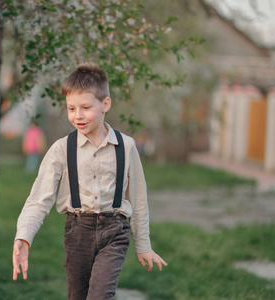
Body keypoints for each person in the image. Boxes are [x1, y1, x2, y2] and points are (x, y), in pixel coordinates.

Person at [12, 63, 167, 300]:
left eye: (86, 107)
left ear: (105, 104)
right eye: (71, 108)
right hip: (78, 233)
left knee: (100, 296)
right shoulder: (62, 149)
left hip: (115, 231)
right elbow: (38, 199)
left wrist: (143, 244)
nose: (78, 116)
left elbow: (138, 198)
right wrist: (24, 236)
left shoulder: (126, 146)